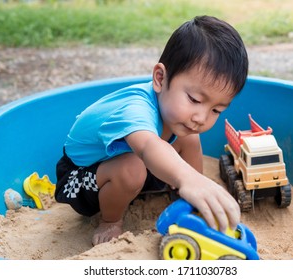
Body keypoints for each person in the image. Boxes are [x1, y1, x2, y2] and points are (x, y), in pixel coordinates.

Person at [55, 15, 249, 246]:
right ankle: (110, 220)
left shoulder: (174, 109)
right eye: (195, 99)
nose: (201, 117)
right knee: (132, 167)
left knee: (189, 137)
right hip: (81, 178)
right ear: (159, 78)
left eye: (216, 110)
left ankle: (190, 195)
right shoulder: (135, 108)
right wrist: (187, 177)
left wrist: (196, 182)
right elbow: (148, 146)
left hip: (130, 163)